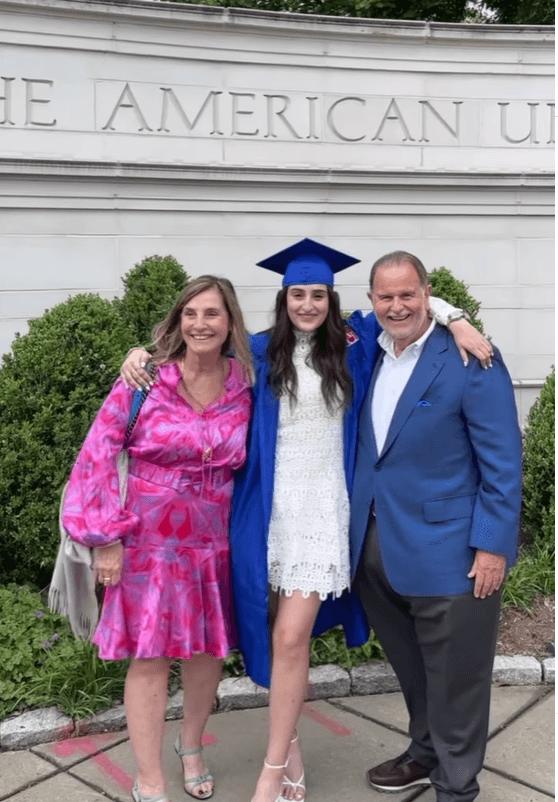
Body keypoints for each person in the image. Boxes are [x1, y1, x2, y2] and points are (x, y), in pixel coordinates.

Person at [122, 239, 492, 802]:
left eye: (318, 294)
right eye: (298, 293)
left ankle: (272, 768)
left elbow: (407, 309)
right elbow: (195, 357)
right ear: (284, 296)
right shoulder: (257, 351)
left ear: (332, 298)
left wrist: (455, 317)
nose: (308, 304)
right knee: (263, 634)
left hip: (323, 511)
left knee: (291, 637)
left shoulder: (355, 343)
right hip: (260, 512)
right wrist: (141, 355)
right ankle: (287, 741)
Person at [63, 276, 253, 802]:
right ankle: (149, 777)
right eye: (190, 313)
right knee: (149, 656)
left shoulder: (247, 382)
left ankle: (190, 745)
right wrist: (104, 538)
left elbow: (330, 336)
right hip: (147, 540)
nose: (200, 324)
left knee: (205, 652)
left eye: (212, 314)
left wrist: (449, 315)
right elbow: (96, 455)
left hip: (215, 538)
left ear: (230, 322)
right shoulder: (146, 380)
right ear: (177, 321)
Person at [350, 251, 522, 802]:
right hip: (378, 547)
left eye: (408, 294)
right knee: (412, 668)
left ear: (427, 294)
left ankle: (455, 785)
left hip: (452, 551)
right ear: (372, 299)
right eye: (385, 296)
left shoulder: (472, 358)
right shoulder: (368, 352)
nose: (396, 306)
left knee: (458, 680)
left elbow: (502, 460)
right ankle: (425, 753)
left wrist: (493, 546)